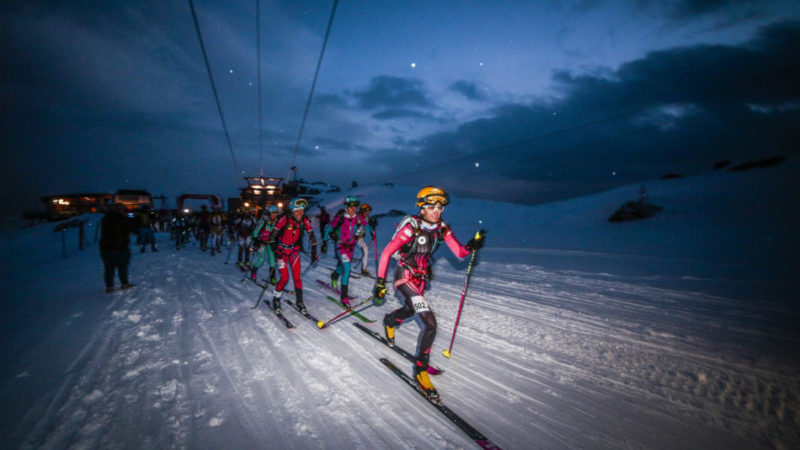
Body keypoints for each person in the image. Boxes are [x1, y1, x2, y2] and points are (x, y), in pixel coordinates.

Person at [372, 187, 484, 401]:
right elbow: (387, 252)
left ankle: (389, 320)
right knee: (430, 324)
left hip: (421, 278)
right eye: (431, 207)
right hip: (404, 275)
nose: (436, 211)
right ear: (421, 208)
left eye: (440, 207)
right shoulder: (411, 227)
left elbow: (459, 252)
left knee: (408, 310)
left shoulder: (442, 228)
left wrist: (471, 246)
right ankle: (420, 373)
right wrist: (379, 281)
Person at [266, 198, 317, 315]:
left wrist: (314, 251)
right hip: (282, 251)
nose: (300, 214)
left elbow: (312, 235)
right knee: (284, 278)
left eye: (302, 211)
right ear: (292, 211)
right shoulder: (284, 219)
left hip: (294, 251)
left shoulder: (304, 220)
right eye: (297, 211)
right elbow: (272, 237)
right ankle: (276, 299)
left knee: (297, 278)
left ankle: (300, 302)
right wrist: (275, 251)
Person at [323, 196, 371, 306]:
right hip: (341, 246)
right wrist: (325, 242)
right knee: (347, 268)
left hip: (351, 247)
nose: (353, 209)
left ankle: (335, 275)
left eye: (355, 207)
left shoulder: (358, 218)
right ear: (346, 207)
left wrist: (372, 230)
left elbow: (366, 226)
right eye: (351, 207)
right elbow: (328, 228)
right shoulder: (340, 218)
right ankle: (343, 298)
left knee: (343, 267)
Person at [99, 203, 136, 293]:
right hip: (120, 248)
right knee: (122, 266)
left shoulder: (105, 219)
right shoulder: (122, 219)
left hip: (106, 248)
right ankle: (124, 283)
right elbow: (130, 230)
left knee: (109, 268)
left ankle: (109, 286)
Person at [250, 205, 281, 282]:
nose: (275, 216)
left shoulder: (277, 222)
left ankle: (272, 277)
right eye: (273, 214)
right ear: (269, 214)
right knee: (261, 259)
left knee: (273, 260)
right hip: (262, 243)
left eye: (276, 214)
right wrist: (256, 240)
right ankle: (253, 272)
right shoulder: (263, 221)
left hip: (271, 243)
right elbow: (255, 232)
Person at [356, 203, 377, 276]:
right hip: (349, 238)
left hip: (359, 239)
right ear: (362, 212)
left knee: (365, 249)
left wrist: (372, 232)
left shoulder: (367, 218)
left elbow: (368, 227)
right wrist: (371, 226)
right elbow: (366, 225)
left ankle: (364, 269)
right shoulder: (357, 217)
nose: (367, 213)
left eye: (368, 212)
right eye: (366, 212)